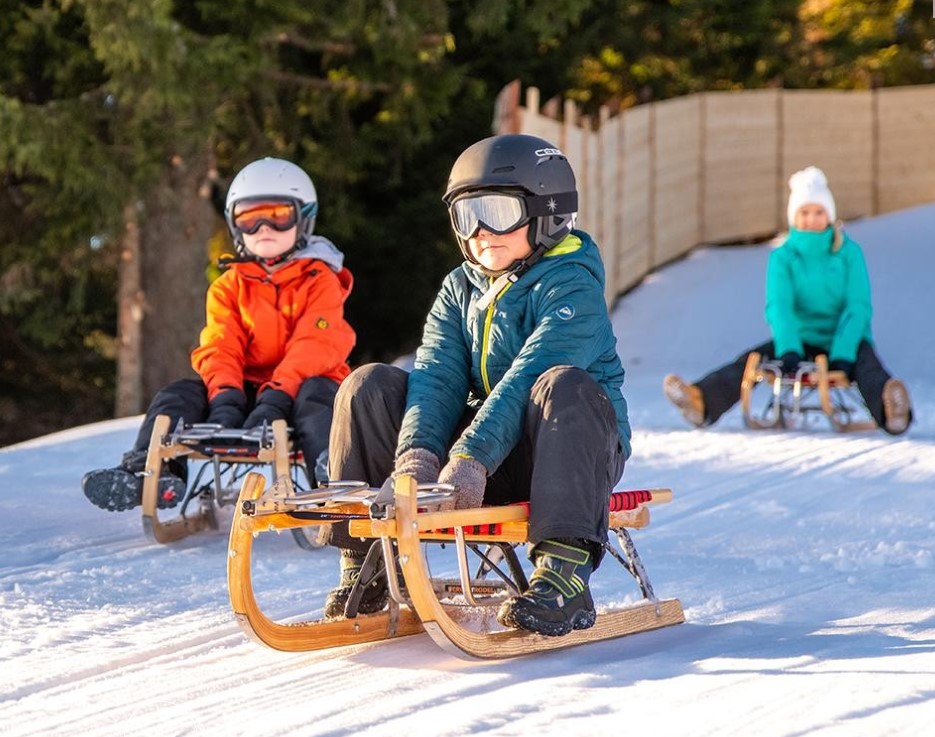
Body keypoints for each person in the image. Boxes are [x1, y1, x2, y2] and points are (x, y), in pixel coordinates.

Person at [320, 133, 632, 638]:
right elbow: (438, 376)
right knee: (367, 386)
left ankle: (564, 572)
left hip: (562, 453)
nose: (482, 231)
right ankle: (370, 560)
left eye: (497, 211)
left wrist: (470, 458)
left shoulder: (573, 285)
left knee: (563, 383)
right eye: (467, 216)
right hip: (480, 461)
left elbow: (527, 376)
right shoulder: (459, 288)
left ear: (546, 210)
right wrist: (417, 460)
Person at [82, 157, 356, 511]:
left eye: (277, 215)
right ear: (234, 224)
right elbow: (220, 344)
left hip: (303, 387)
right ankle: (150, 474)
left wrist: (276, 398)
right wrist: (225, 397)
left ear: (303, 218)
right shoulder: (228, 286)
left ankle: (333, 476)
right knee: (176, 395)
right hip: (246, 392)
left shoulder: (320, 281)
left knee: (318, 397)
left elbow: (315, 347)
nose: (263, 228)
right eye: (249, 219)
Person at [663, 166, 912, 435]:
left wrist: (842, 354)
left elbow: (858, 306)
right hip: (799, 339)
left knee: (868, 368)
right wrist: (789, 348)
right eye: (805, 213)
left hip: (844, 339)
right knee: (752, 361)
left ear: (829, 215)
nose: (812, 220)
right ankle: (700, 401)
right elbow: (779, 306)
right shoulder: (783, 257)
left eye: (819, 212)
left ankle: (892, 410)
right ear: (794, 217)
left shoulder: (848, 253)